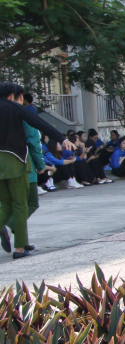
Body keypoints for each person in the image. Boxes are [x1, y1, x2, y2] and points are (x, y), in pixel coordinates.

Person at [0, 81, 71, 259]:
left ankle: (14, 238)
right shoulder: (14, 108)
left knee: (5, 204)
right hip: (14, 160)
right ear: (12, 96)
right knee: (20, 203)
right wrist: (61, 139)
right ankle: (20, 248)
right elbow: (38, 123)